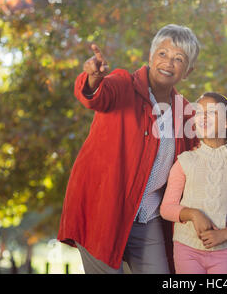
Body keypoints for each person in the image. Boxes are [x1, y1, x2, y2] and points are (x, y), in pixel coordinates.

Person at [57, 24, 200, 273]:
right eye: (163, 54)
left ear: (188, 70)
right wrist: (93, 78)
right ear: (151, 56)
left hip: (148, 216)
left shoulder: (187, 113)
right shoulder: (124, 85)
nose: (168, 62)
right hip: (103, 210)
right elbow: (97, 95)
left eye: (179, 59)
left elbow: (197, 163)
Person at [160, 92, 227, 274]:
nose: (203, 117)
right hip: (186, 248)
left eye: (211, 112)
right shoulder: (185, 161)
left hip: (223, 251)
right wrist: (193, 214)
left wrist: (224, 234)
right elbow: (166, 208)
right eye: (198, 112)